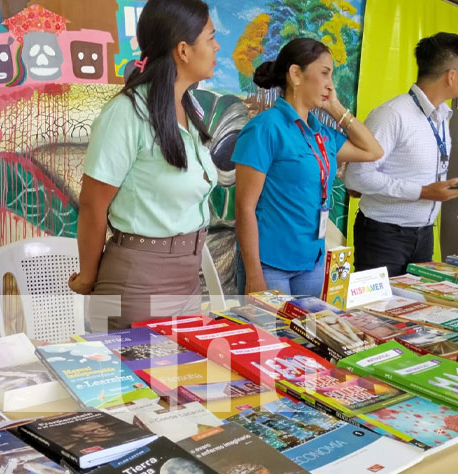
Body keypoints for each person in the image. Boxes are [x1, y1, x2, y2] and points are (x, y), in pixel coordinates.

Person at [68, 0, 219, 330]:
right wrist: (88, 277)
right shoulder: (126, 113)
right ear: (183, 50)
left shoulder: (190, 110)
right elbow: (93, 206)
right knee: (136, 381)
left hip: (188, 280)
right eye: (210, 37)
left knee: (183, 378)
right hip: (136, 283)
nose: (216, 46)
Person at [232, 38, 383, 296]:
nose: (330, 84)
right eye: (324, 73)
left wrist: (335, 107)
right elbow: (244, 207)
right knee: (271, 337)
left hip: (312, 261)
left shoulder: (321, 133)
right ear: (295, 74)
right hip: (270, 265)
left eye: (331, 75)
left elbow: (373, 151)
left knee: (307, 335)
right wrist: (254, 275)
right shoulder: (265, 128)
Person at [344, 32, 458, 277]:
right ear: (451, 75)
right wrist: (423, 192)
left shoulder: (442, 116)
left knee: (417, 312)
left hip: (423, 234)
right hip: (383, 236)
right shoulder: (392, 114)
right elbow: (357, 177)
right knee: (375, 313)